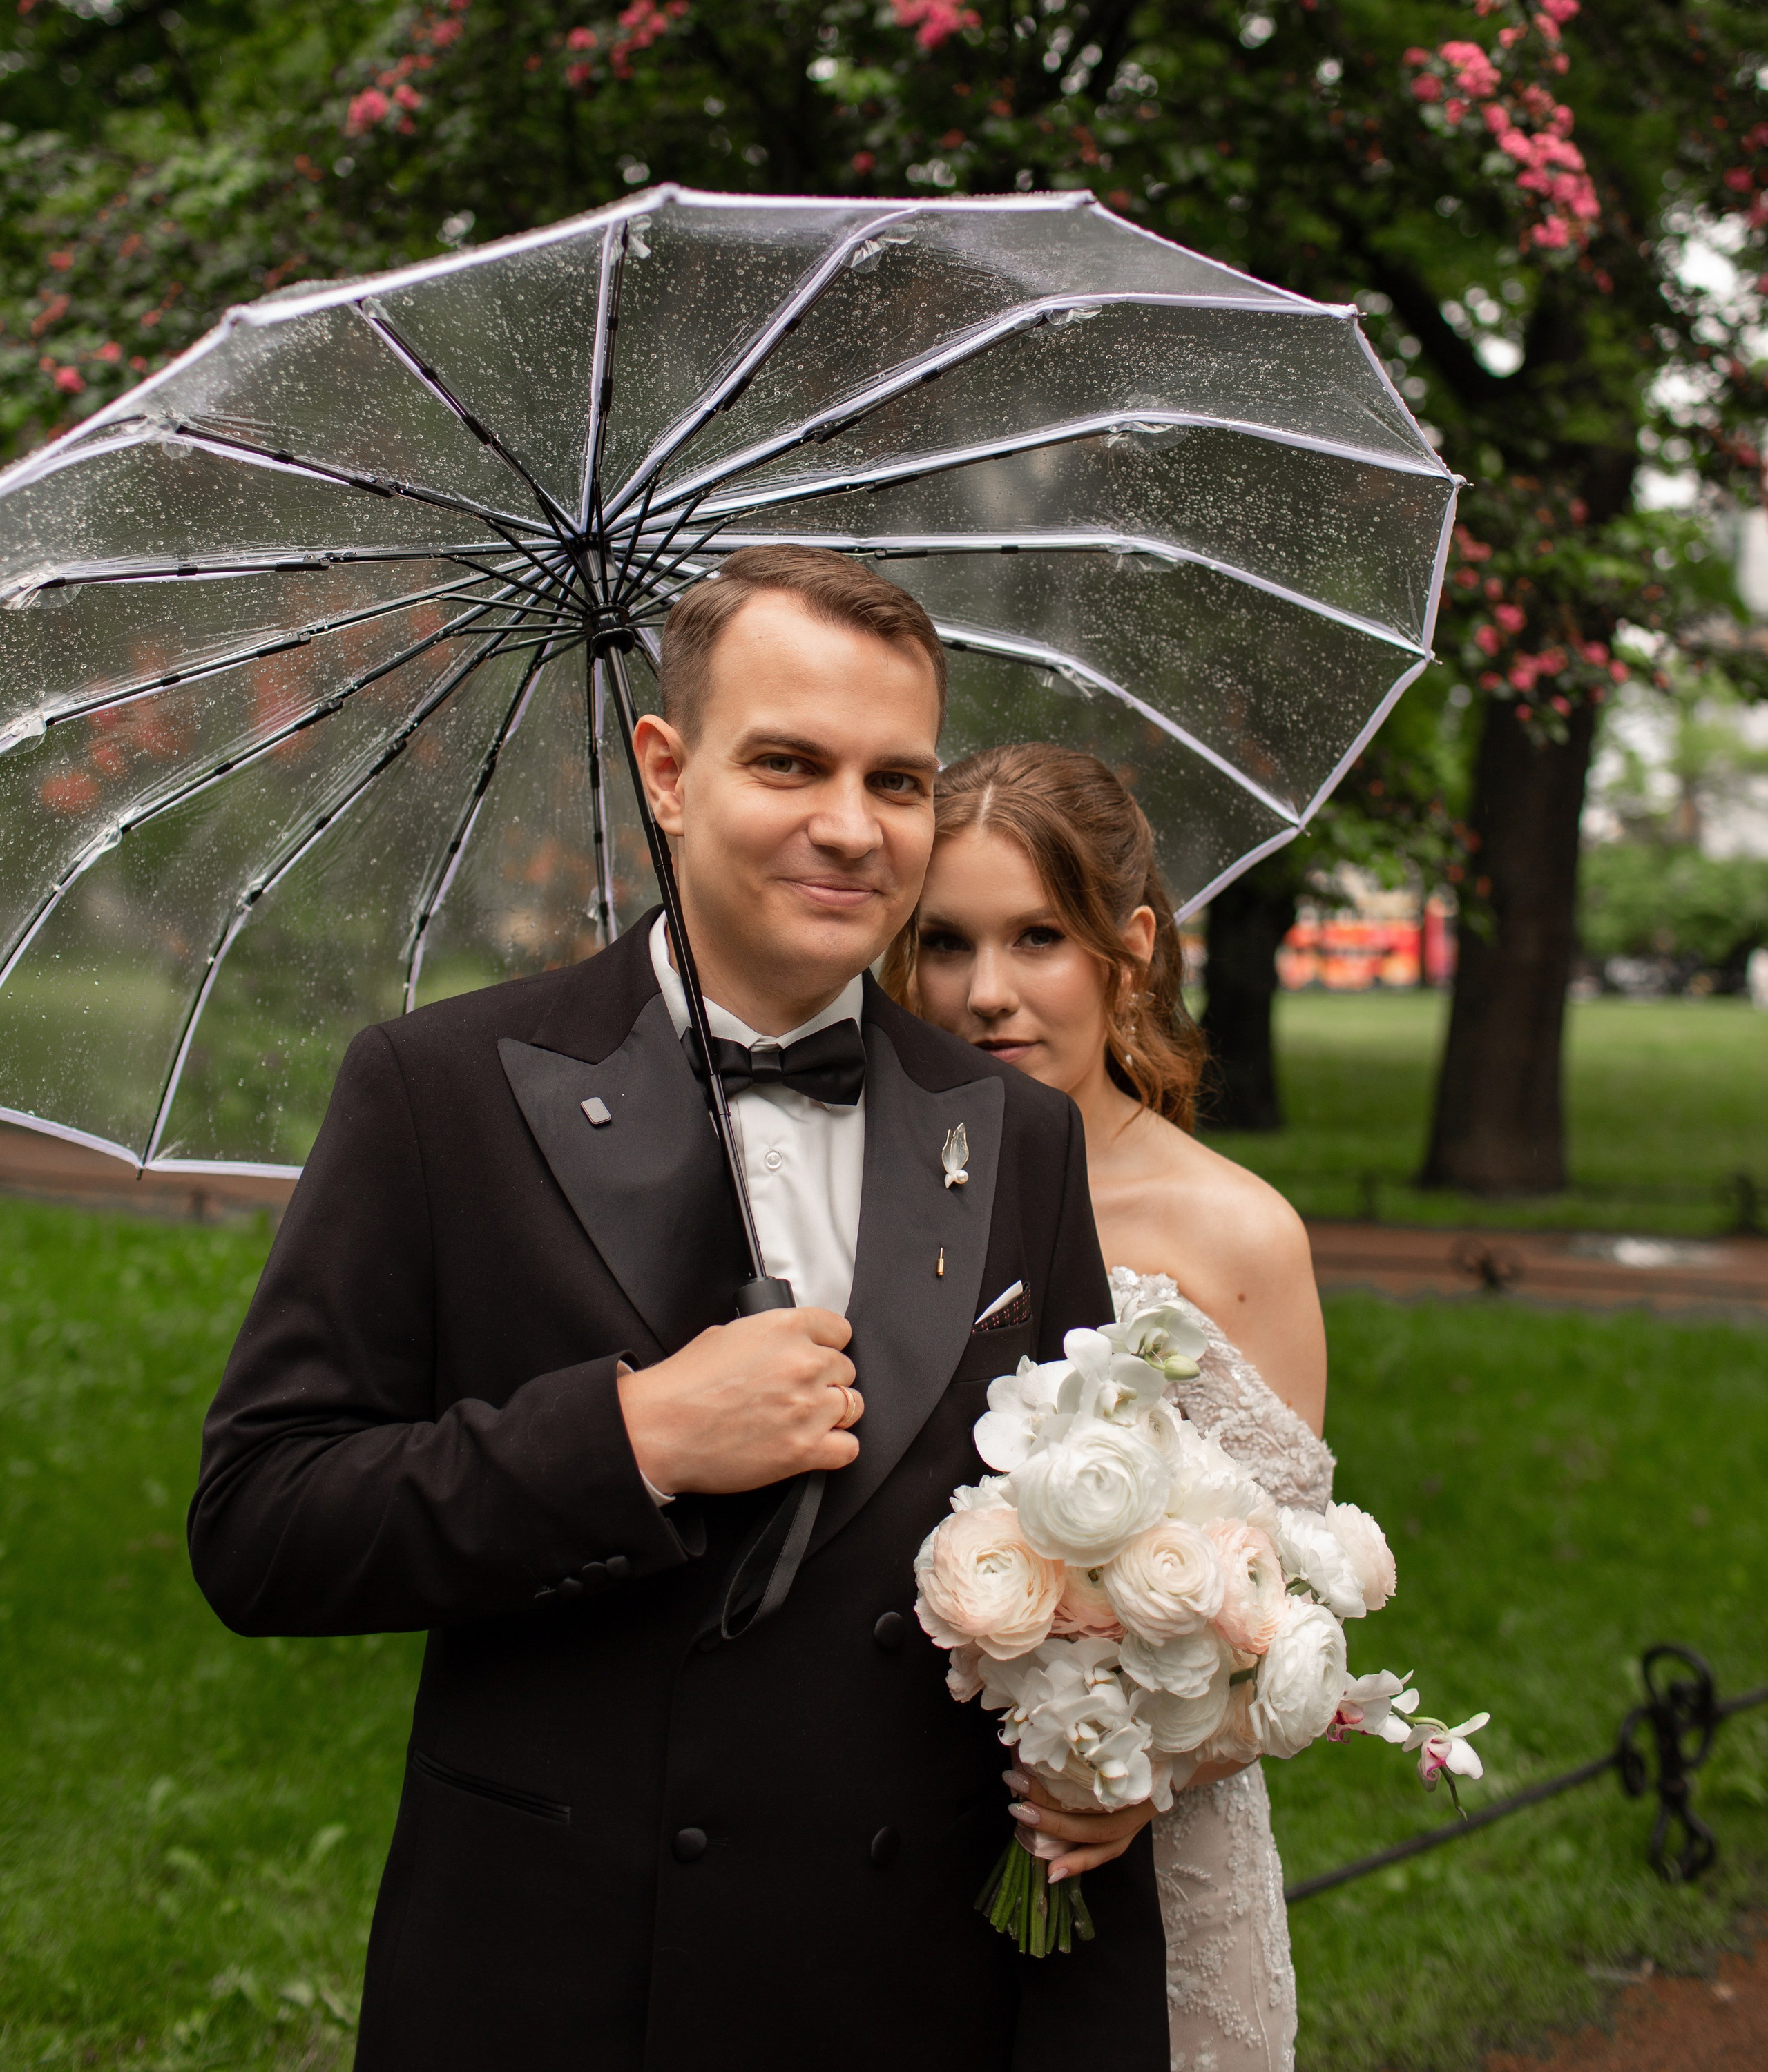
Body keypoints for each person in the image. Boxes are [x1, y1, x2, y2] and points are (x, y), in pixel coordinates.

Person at [188, 548, 1168, 2072]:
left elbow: (1092, 1553)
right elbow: (261, 1521)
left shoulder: (1012, 1131)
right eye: (789, 763)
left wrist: (1109, 1759)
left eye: (897, 781)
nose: (851, 828)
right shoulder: (438, 1090)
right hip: (573, 1979)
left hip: (909, 1989)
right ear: (667, 769)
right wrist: (628, 1436)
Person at [888, 742, 1330, 2072]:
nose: (986, 993)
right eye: (944, 943)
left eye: (1038, 937)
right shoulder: (874, 1205)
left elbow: (1298, 1604)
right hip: (892, 1843)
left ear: (1128, 949)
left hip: (1150, 1861)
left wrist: (1144, 1768)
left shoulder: (1236, 1233)